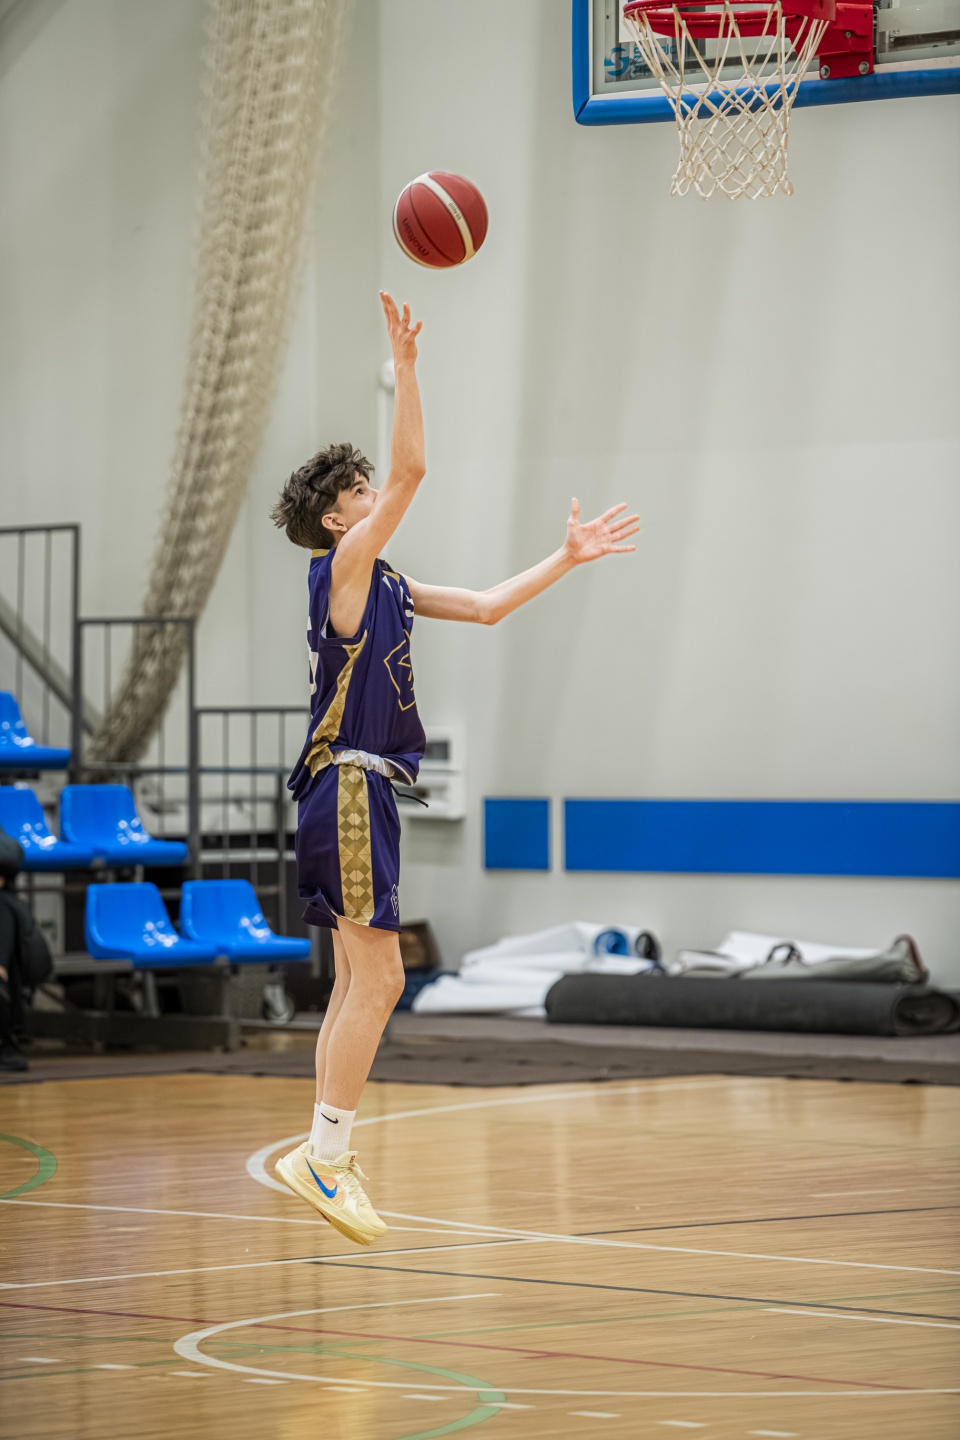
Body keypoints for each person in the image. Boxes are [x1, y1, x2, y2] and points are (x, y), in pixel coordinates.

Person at [269, 292, 639, 1245]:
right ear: (335, 517)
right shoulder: (344, 569)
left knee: (356, 983)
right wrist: (407, 367)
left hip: (358, 790)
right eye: (359, 490)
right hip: (350, 784)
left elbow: (483, 606)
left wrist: (566, 558)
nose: (375, 494)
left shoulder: (386, 582)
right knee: (382, 982)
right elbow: (415, 469)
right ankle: (326, 1155)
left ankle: (320, 1149)